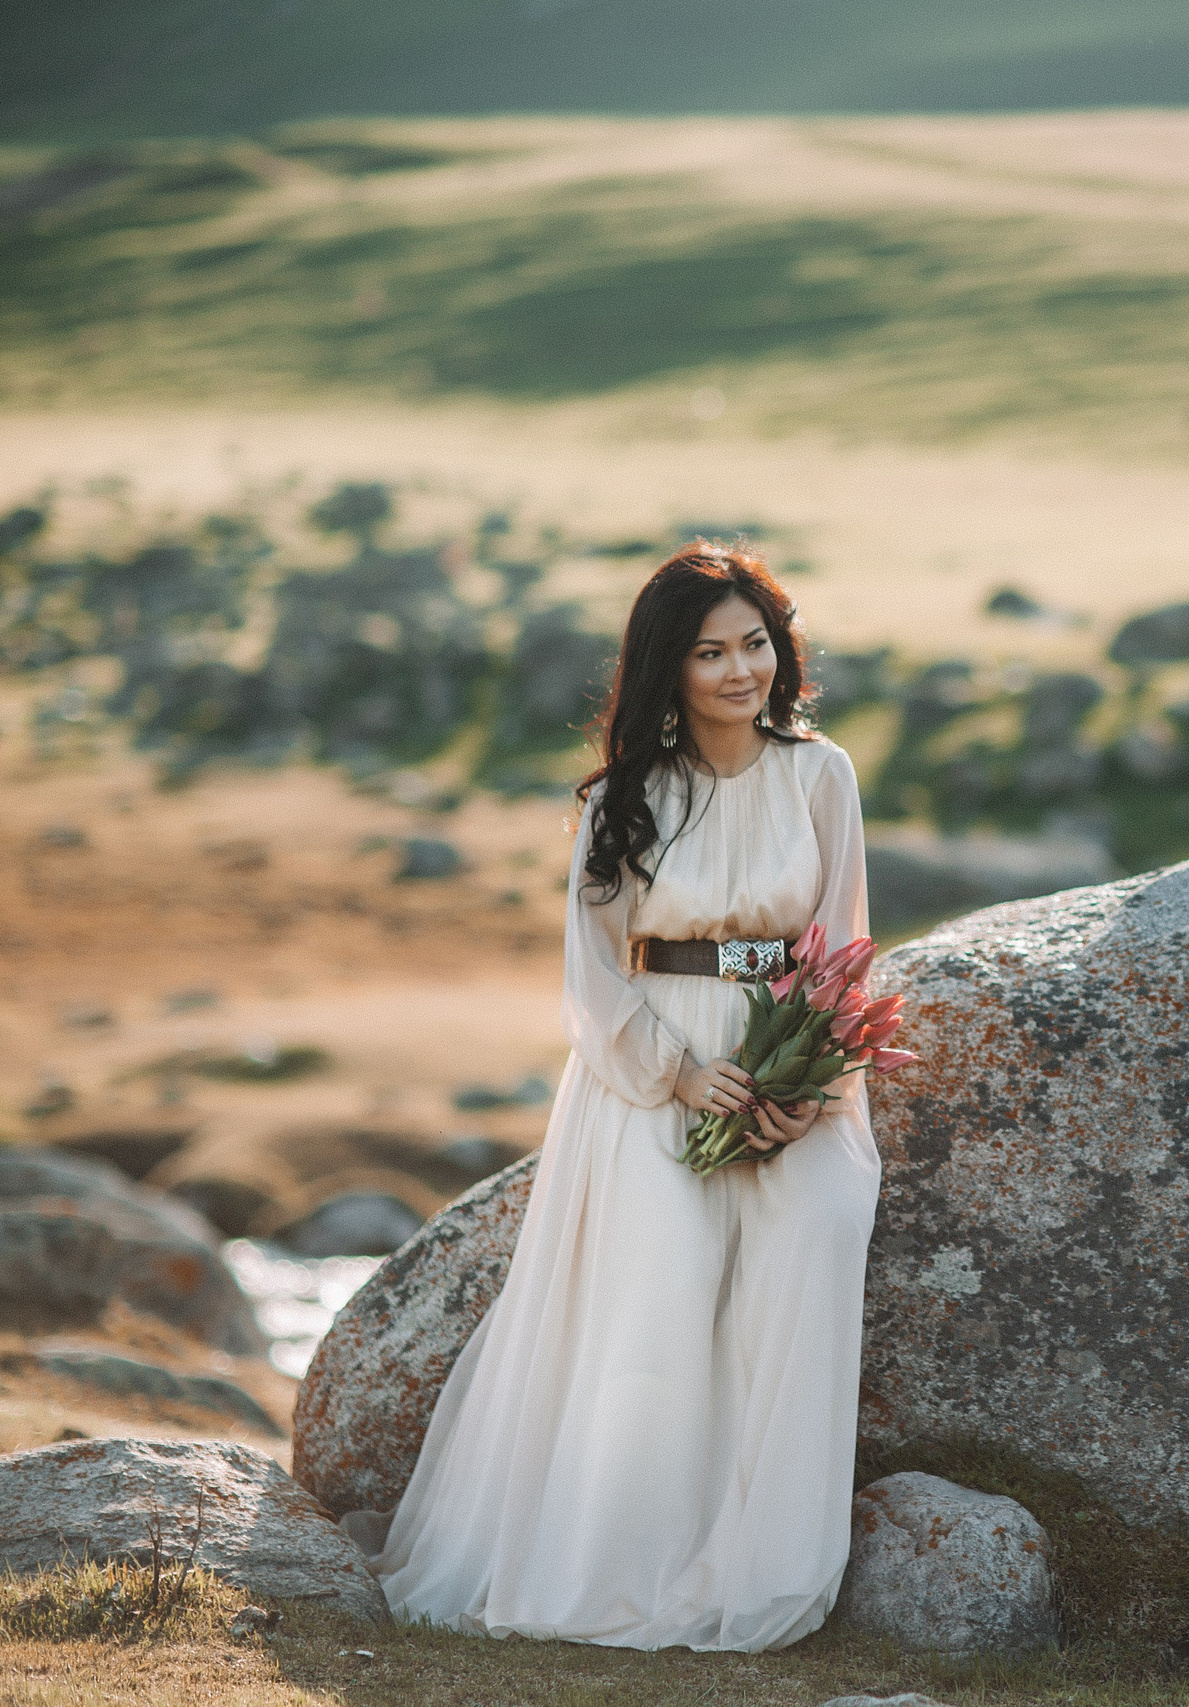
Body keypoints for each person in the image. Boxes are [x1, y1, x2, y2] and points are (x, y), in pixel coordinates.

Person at [361, 542, 881, 1651]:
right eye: (711, 652)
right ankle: (620, 1560)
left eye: (756, 644)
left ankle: (764, 1562)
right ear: (669, 667)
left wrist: (808, 1081)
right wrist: (682, 1076)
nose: (742, 670)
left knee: (818, 1238)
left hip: (785, 1056)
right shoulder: (624, 798)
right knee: (659, 1295)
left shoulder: (819, 773)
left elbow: (842, 946)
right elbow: (589, 979)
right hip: (655, 1070)